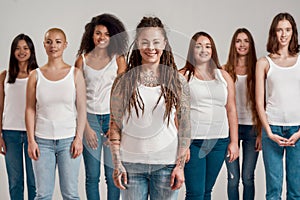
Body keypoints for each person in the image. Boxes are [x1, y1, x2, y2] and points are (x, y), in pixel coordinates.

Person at [109, 16, 191, 200]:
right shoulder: (123, 82)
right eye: (144, 42)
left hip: (167, 166)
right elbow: (114, 126)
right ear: (137, 43)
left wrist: (179, 166)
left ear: (164, 43)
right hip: (130, 165)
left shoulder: (177, 81)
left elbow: (185, 126)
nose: (150, 48)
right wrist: (117, 164)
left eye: (156, 42)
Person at [25, 28, 86, 199]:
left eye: (58, 41)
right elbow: (30, 109)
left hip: (69, 141)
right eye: (49, 41)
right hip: (42, 142)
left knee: (71, 194)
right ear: (44, 45)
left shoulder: (75, 73)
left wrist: (79, 138)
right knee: (42, 195)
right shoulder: (35, 75)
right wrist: (31, 141)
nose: (53, 45)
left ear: (65, 45)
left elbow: (81, 108)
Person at [74, 13, 128, 200]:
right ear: (91, 35)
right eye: (98, 33)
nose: (102, 37)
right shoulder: (82, 60)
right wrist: (86, 128)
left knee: (112, 173)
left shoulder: (118, 60)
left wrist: (116, 125)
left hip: (112, 119)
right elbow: (77, 97)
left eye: (106, 34)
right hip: (89, 120)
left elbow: (122, 96)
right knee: (92, 176)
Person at [180, 31, 239, 200]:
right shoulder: (183, 76)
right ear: (192, 50)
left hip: (219, 141)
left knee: (207, 192)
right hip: (194, 142)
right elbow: (177, 113)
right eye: (199, 46)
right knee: (195, 193)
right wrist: (183, 144)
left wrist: (234, 142)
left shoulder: (224, 76)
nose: (203, 50)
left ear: (212, 51)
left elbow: (231, 109)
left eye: (208, 46)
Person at [256, 12, 300, 200]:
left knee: (296, 190)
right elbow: (259, 101)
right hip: (272, 128)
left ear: (293, 32)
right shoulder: (264, 62)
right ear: (274, 33)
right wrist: (268, 131)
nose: (283, 34)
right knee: (273, 189)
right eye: (279, 30)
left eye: (288, 30)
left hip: (297, 129)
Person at [223, 28, 261, 200]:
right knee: (233, 179)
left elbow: (264, 103)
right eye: (239, 41)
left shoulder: (258, 69)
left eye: (246, 41)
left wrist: (261, 133)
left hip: (252, 129)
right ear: (234, 44)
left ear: (251, 45)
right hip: (231, 129)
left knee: (247, 178)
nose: (242, 44)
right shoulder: (225, 70)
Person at [0, 33, 38, 200]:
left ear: (31, 51)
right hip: (10, 134)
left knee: (34, 181)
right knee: (15, 181)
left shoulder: (38, 75)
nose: (21, 52)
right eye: (17, 48)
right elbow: (0, 107)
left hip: (34, 135)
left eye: (25, 48)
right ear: (12, 51)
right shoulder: (5, 76)